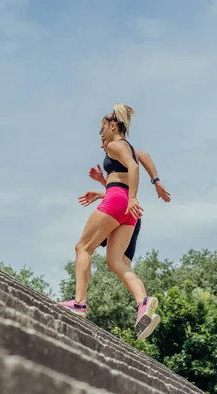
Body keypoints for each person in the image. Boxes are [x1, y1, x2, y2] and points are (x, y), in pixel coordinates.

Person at [58, 103, 160, 340]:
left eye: (102, 130)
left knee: (83, 247)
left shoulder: (115, 145)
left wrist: (133, 196)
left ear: (113, 125)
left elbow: (134, 167)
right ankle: (143, 302)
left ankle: (79, 303)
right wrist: (103, 186)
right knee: (115, 262)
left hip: (121, 200)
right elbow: (141, 159)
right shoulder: (130, 147)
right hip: (126, 206)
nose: (101, 136)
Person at [78, 139, 171, 268]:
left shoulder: (122, 149)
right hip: (129, 210)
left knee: (84, 248)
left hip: (128, 208)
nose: (102, 145)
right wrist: (102, 181)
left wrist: (156, 180)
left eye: (104, 140)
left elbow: (143, 155)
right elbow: (119, 191)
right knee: (121, 264)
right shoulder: (116, 160)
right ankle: (137, 288)